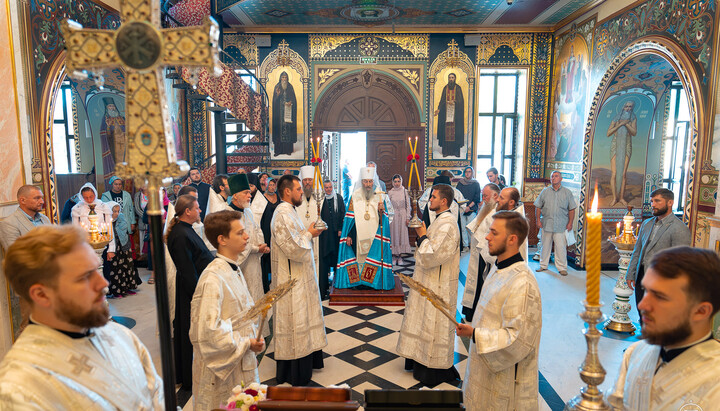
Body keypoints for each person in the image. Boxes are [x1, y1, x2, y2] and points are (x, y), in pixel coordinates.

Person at [0, 225, 163, 408]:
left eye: (97, 269)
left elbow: (157, 395)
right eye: (85, 276)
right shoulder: (19, 388)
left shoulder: (120, 335)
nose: (103, 283)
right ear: (41, 295)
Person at [608, 247, 720, 409]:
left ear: (701, 311)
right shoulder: (636, 353)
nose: (642, 305)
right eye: (645, 291)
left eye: (660, 297)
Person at [456, 211, 542, 410]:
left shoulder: (523, 282)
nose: (487, 236)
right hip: (484, 369)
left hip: (505, 381)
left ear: (512, 239)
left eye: (494, 233)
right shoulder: (499, 268)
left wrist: (475, 334)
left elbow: (518, 339)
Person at [190, 210, 265, 411]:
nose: (247, 236)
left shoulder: (232, 267)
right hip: (223, 374)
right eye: (240, 233)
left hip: (240, 363)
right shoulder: (212, 278)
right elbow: (208, 333)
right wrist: (246, 342)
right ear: (222, 239)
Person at [397, 184, 460, 386]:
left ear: (444, 201)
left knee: (433, 325)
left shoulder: (448, 224)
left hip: (438, 285)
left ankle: (432, 367)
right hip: (429, 281)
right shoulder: (440, 220)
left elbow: (432, 256)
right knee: (423, 321)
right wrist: (422, 235)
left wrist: (422, 235)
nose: (429, 200)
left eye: (433, 197)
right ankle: (419, 359)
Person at [271, 174, 327, 386]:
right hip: (291, 279)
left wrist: (307, 232)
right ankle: (295, 370)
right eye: (298, 190)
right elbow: (293, 248)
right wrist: (310, 234)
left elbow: (294, 238)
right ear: (287, 191)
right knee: (296, 320)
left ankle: (308, 359)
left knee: (304, 317)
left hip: (299, 276)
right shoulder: (282, 214)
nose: (301, 192)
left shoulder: (289, 211)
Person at [166, 194, 214, 391]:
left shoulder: (186, 229)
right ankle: (188, 376)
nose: (200, 211)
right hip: (190, 292)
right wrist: (199, 296)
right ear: (187, 211)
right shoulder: (179, 234)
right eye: (197, 208)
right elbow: (187, 271)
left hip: (194, 287)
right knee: (188, 331)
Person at [626, 188, 690, 322]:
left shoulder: (679, 229)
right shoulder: (647, 224)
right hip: (642, 275)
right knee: (641, 311)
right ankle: (645, 338)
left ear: (670, 202)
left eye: (657, 201)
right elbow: (638, 250)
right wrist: (631, 273)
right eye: (651, 201)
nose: (653, 204)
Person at [335, 166, 394, 291]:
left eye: (370, 181)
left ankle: (373, 282)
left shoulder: (380, 195)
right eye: (365, 181)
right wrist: (349, 235)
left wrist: (381, 212)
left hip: (375, 235)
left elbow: (386, 218)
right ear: (361, 181)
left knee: (373, 257)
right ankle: (360, 282)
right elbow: (350, 219)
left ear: (373, 181)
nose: (368, 184)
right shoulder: (355, 196)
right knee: (358, 258)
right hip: (357, 234)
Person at [227, 173, 270, 326]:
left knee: (255, 295)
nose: (249, 195)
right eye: (245, 193)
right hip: (240, 266)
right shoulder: (229, 215)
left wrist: (262, 245)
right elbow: (234, 243)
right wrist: (255, 248)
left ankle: (258, 330)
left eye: (249, 192)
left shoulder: (248, 211)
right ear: (235, 196)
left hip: (254, 263)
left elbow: (257, 230)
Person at [461, 183, 500, 322]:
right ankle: (470, 311)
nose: (483, 198)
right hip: (477, 252)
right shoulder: (487, 207)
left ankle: (478, 314)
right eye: (482, 195)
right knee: (473, 281)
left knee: (480, 283)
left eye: (485, 195)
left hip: (485, 253)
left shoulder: (496, 212)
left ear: (496, 196)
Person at [534, 170, 576, 276]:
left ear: (561, 179)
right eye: (552, 176)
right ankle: (543, 265)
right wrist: (538, 220)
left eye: (556, 176)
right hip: (546, 224)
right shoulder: (545, 191)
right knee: (545, 246)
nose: (553, 178)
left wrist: (570, 222)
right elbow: (538, 206)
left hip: (561, 225)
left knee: (560, 247)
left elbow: (571, 209)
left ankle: (562, 268)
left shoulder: (567, 192)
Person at [103, 201, 141, 298]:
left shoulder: (121, 218)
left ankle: (127, 288)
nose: (116, 213)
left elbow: (124, 229)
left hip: (124, 245)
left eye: (118, 211)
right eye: (114, 211)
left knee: (127, 267)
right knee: (116, 269)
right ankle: (117, 291)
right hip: (114, 248)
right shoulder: (105, 221)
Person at [71, 183, 116, 260]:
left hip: (102, 241)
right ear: (81, 197)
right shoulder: (78, 208)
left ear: (95, 194)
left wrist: (111, 249)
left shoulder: (103, 206)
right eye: (86, 197)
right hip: (85, 243)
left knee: (103, 268)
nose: (89, 200)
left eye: (91, 196)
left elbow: (109, 228)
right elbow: (75, 230)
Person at [0, 185, 51, 251]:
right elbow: (15, 253)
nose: (42, 202)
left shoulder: (45, 219)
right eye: (37, 198)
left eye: (42, 198)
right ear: (23, 200)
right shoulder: (8, 224)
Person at [607, 100, 637, 206]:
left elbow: (634, 133)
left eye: (630, 106)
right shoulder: (616, 118)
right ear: (623, 107)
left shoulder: (633, 118)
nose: (628, 108)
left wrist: (626, 124)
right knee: (614, 173)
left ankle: (621, 198)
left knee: (623, 174)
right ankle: (615, 198)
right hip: (615, 145)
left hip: (627, 146)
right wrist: (620, 125)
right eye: (626, 106)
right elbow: (608, 133)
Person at [318, 179, 345, 299]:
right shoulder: (320, 199)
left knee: (336, 256)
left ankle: (337, 282)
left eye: (330, 187)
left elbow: (342, 213)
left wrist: (340, 228)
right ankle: (325, 282)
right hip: (324, 235)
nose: (328, 190)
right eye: (326, 188)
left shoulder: (338, 198)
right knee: (326, 255)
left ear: (333, 187)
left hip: (335, 233)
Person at [298, 165, 322, 277]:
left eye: (310, 180)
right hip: (301, 239)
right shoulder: (296, 198)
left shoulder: (321, 197)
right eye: (305, 180)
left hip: (317, 241)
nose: (307, 182)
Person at [434, 72, 465, 157]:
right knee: (445, 133)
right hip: (446, 115)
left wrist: (454, 101)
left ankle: (456, 152)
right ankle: (446, 152)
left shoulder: (458, 88)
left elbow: (461, 101)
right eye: (450, 77)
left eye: (452, 77)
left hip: (455, 116)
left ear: (455, 78)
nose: (451, 79)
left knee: (456, 133)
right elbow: (442, 100)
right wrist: (439, 109)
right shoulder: (445, 88)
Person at [98, 97, 126, 183]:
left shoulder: (122, 118)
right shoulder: (106, 120)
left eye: (113, 106)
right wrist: (108, 126)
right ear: (106, 108)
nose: (112, 108)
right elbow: (105, 135)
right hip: (114, 147)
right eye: (110, 106)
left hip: (124, 146)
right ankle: (118, 182)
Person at [260, 178, 280, 293]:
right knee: (267, 253)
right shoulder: (262, 198)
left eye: (274, 185)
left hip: (277, 228)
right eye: (270, 185)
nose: (272, 187)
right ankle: (266, 283)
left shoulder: (279, 197)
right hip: (266, 228)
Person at [272, 71, 298, 156]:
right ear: (280, 78)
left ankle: (288, 150)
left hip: (288, 113)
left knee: (288, 131)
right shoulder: (277, 87)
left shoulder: (290, 87)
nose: (284, 79)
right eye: (282, 77)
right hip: (279, 115)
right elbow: (274, 101)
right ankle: (278, 151)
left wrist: (290, 102)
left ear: (287, 78)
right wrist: (278, 95)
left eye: (285, 78)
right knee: (278, 132)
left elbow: (293, 99)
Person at [387, 175, 412, 265]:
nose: (397, 183)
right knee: (394, 235)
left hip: (403, 215)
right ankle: (394, 256)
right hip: (393, 216)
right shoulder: (390, 192)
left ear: (401, 181)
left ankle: (400, 256)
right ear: (393, 182)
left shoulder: (405, 191)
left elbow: (408, 205)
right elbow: (388, 206)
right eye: (395, 181)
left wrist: (408, 217)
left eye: (399, 181)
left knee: (402, 235)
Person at [457, 166, 481, 249]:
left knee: (471, 228)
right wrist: (464, 207)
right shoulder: (460, 183)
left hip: (472, 208)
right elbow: (458, 196)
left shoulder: (476, 183)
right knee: (463, 228)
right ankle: (465, 245)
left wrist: (468, 207)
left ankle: (472, 245)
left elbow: (477, 197)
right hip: (462, 209)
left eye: (469, 171)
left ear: (472, 173)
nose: (468, 173)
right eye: (466, 171)